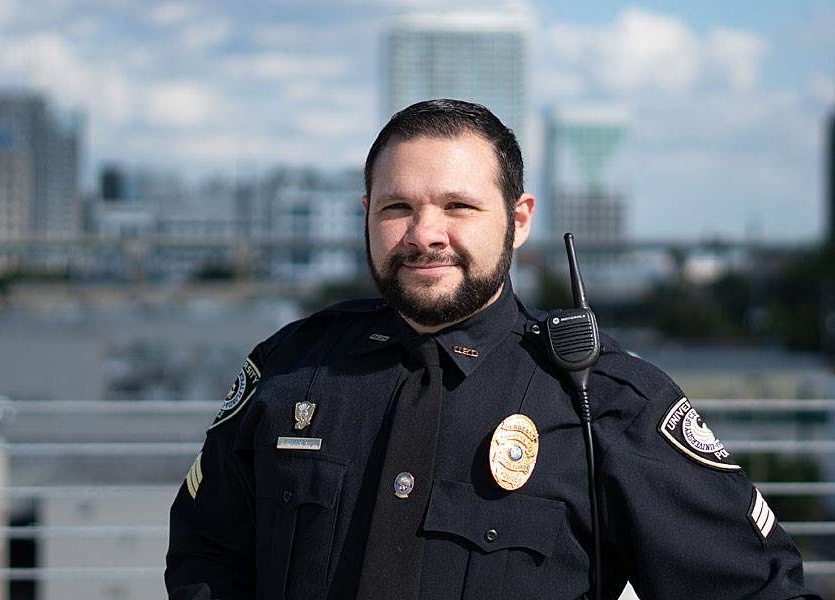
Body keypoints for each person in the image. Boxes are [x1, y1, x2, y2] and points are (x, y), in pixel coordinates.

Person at [165, 99, 821, 600]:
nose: (425, 233)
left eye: (458, 206)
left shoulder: (606, 402)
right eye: (397, 208)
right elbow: (205, 553)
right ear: (366, 214)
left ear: (519, 218)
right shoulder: (289, 372)